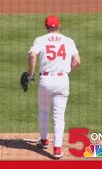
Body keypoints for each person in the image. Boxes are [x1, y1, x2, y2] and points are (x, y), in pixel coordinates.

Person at [27, 15, 81, 159]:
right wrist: (66, 68)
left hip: (45, 80)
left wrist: (31, 75)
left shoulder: (41, 40)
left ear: (46, 26)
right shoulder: (68, 41)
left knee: (43, 112)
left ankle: (44, 141)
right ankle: (57, 150)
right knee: (59, 116)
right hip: (62, 80)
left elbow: (32, 55)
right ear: (59, 25)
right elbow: (77, 61)